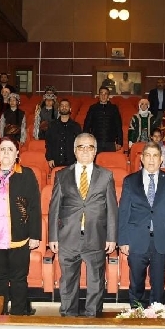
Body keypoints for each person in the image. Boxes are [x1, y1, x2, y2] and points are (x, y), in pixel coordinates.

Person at [48, 133, 117, 317]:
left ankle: (92, 318)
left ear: (95, 151)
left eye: (90, 147)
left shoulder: (106, 176)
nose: (85, 151)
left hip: (96, 236)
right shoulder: (62, 175)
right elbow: (54, 208)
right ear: (74, 150)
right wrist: (53, 237)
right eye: (81, 147)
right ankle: (68, 317)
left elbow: (112, 208)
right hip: (68, 237)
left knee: (96, 281)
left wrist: (111, 237)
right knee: (68, 282)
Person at [0, 137, 42, 315]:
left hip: (20, 237)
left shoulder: (27, 174)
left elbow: (34, 207)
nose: (6, 152)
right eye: (2, 149)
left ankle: (18, 315)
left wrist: (35, 235)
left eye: (10, 149)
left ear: (17, 153)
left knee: (19, 280)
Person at [118, 141, 165, 306]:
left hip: (162, 239)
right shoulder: (130, 181)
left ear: (161, 159)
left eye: (155, 156)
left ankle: (156, 313)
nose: (151, 159)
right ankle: (136, 312)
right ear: (142, 159)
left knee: (158, 284)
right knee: (136, 283)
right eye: (148, 155)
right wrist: (123, 240)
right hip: (136, 239)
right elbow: (124, 212)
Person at [83, 87, 123, 153]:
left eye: (105, 94)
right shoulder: (93, 108)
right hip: (96, 142)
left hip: (110, 142)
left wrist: (119, 142)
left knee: (109, 159)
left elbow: (118, 126)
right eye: (101, 93)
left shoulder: (114, 108)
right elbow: (87, 125)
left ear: (108, 96)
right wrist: (86, 141)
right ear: (99, 95)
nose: (103, 96)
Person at [45, 98, 82, 168]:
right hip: (56, 162)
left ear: (70, 109)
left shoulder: (76, 126)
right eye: (62, 105)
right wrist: (50, 158)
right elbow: (48, 143)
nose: (64, 107)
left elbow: (79, 144)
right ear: (59, 109)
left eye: (66, 105)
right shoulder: (52, 125)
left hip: (72, 162)